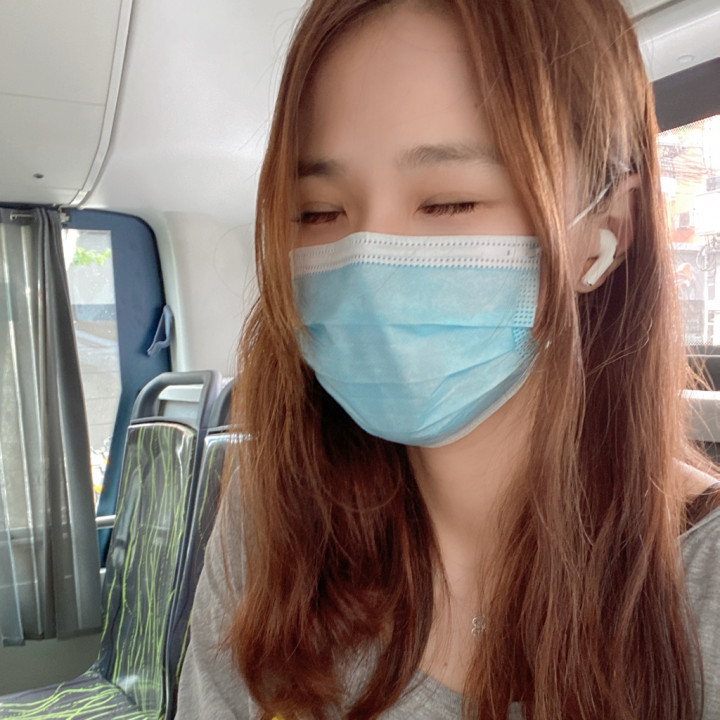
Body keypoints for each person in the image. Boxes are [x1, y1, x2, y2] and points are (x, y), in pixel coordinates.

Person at [176, 0, 720, 718]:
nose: (369, 267)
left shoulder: (703, 590)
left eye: (449, 203)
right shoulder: (270, 517)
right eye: (318, 212)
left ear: (605, 230)